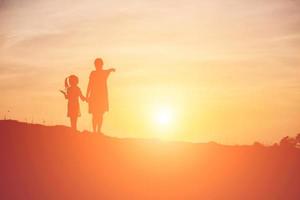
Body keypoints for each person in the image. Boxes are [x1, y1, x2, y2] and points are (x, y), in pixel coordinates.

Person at [86, 58, 115, 133]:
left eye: (99, 64)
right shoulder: (93, 73)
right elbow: (90, 84)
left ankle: (98, 130)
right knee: (95, 114)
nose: (97, 65)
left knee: (100, 114)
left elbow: (109, 70)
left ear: (101, 64)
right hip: (94, 96)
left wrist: (111, 69)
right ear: (95, 65)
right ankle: (95, 130)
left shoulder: (103, 72)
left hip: (102, 96)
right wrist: (87, 94)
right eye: (96, 64)